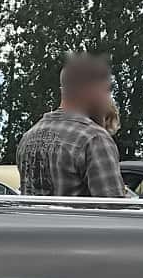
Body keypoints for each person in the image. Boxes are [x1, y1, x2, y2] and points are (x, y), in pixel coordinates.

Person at [17, 55, 128, 200]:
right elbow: (113, 207)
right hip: (78, 217)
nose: (108, 98)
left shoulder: (28, 137)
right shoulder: (94, 139)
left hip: (33, 216)